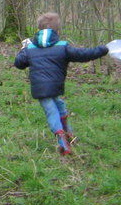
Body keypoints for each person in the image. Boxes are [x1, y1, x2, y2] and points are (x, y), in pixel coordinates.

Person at [13, 12, 108, 155]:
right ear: (57, 31)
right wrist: (103, 49)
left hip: (40, 88)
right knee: (58, 106)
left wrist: (22, 50)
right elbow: (84, 54)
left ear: (38, 30)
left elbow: (19, 63)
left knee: (53, 110)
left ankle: (65, 138)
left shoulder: (30, 48)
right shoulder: (63, 47)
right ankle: (65, 138)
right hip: (56, 86)